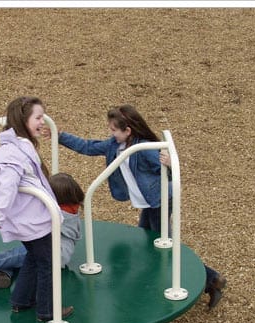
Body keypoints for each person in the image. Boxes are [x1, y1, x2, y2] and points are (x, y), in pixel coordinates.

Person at [50, 104, 227, 309]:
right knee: (147, 242)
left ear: (128, 131)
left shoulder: (144, 149)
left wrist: (169, 164)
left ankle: (211, 278)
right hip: (149, 202)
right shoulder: (114, 146)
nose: (111, 133)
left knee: (163, 246)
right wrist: (60, 136)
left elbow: (169, 174)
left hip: (159, 200)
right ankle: (171, 280)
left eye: (114, 129)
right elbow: (88, 146)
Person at [0, 96, 73, 322]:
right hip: (33, 220)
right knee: (47, 263)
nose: (43, 122)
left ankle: (20, 301)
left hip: (29, 218)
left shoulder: (11, 148)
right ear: (23, 121)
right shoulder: (13, 152)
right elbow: (6, 184)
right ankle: (47, 311)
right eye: (38, 118)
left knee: (32, 257)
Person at [0, 172, 84, 289]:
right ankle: (2, 275)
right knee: (18, 258)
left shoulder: (59, 213)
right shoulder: (70, 207)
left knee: (17, 254)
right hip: (56, 251)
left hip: (55, 255)